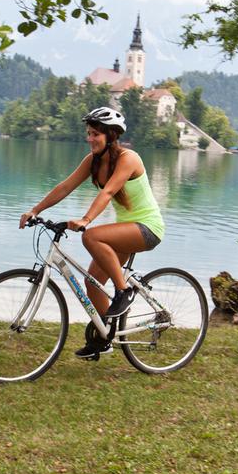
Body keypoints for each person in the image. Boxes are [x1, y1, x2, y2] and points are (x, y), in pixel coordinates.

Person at [19, 107, 166, 358]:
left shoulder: (128, 159)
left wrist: (86, 219)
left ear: (111, 135)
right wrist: (35, 209)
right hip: (125, 230)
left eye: (96, 134)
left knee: (92, 235)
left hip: (147, 228)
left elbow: (107, 192)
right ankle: (105, 336)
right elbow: (65, 186)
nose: (90, 139)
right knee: (92, 283)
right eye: (88, 133)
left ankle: (124, 291)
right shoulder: (93, 161)